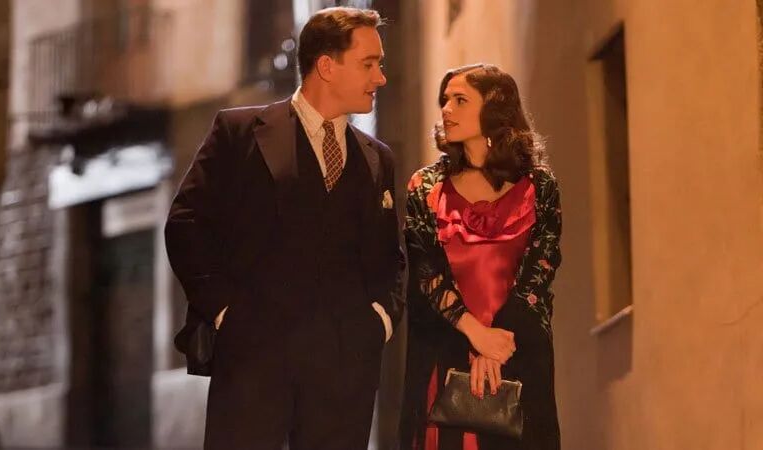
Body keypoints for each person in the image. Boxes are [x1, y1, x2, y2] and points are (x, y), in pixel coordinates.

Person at [164, 7, 405, 450]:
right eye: (369, 64)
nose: (381, 78)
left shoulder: (377, 158)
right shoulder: (239, 132)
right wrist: (225, 312)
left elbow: (390, 257)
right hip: (253, 362)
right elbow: (186, 224)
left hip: (345, 371)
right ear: (327, 66)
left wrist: (381, 322)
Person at [399, 64, 562, 450]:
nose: (446, 109)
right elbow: (426, 271)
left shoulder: (539, 185)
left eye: (460, 100)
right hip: (445, 349)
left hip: (518, 349)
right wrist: (476, 334)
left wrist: (495, 345)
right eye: (444, 101)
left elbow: (541, 270)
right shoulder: (425, 186)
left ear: (494, 108)